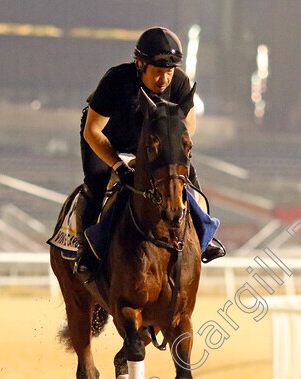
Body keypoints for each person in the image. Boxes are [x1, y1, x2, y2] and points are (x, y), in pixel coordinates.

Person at [74, 26, 226, 282]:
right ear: (140, 64)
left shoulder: (179, 82)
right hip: (106, 138)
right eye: (157, 72)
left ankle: (204, 236)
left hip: (150, 143)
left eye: (168, 72)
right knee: (96, 185)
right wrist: (119, 166)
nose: (164, 80)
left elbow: (187, 127)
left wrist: (172, 155)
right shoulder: (116, 81)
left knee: (187, 181)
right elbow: (93, 130)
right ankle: (87, 252)